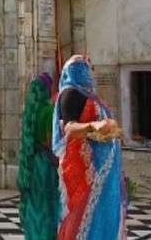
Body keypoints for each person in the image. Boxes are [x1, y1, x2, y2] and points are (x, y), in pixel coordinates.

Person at [53, 55, 126, 240]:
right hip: (87, 170)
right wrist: (93, 126)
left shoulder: (90, 95)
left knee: (105, 214)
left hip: (105, 171)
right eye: (84, 67)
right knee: (84, 217)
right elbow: (69, 127)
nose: (89, 71)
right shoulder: (70, 94)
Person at [18, 74, 59, 240]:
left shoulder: (29, 113)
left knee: (35, 206)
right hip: (46, 165)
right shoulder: (49, 111)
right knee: (47, 206)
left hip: (33, 164)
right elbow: (51, 143)